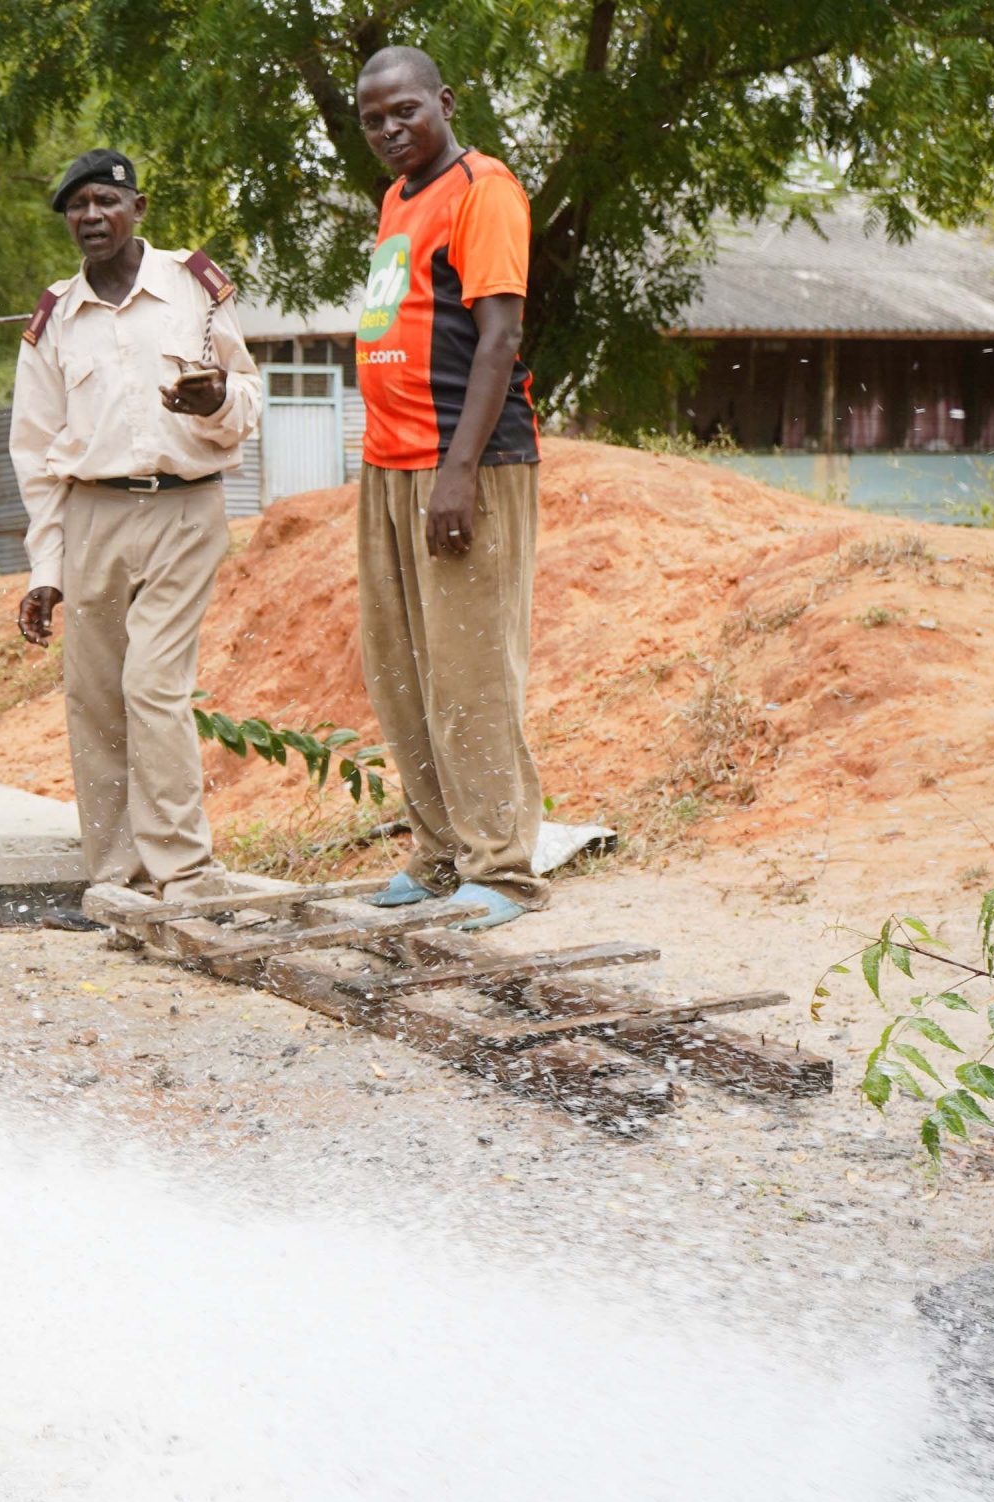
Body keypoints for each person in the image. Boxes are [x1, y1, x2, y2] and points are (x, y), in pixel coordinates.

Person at [9, 148, 260, 918]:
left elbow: (248, 399)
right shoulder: (55, 316)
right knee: (95, 697)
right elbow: (36, 450)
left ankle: (184, 871)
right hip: (91, 516)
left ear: (137, 208)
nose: (90, 217)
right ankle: (116, 872)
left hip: (185, 509)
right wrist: (44, 567)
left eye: (105, 202)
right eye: (76, 206)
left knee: (152, 684)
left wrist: (215, 400)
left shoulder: (196, 290)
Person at [348, 46, 546, 932]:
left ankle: (500, 868)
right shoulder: (397, 199)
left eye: (405, 112)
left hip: (463, 466)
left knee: (468, 670)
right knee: (403, 670)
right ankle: (439, 854)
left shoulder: (484, 189)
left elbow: (498, 339)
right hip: (390, 464)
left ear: (445, 101)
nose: (390, 130)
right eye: (373, 118)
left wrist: (457, 474)